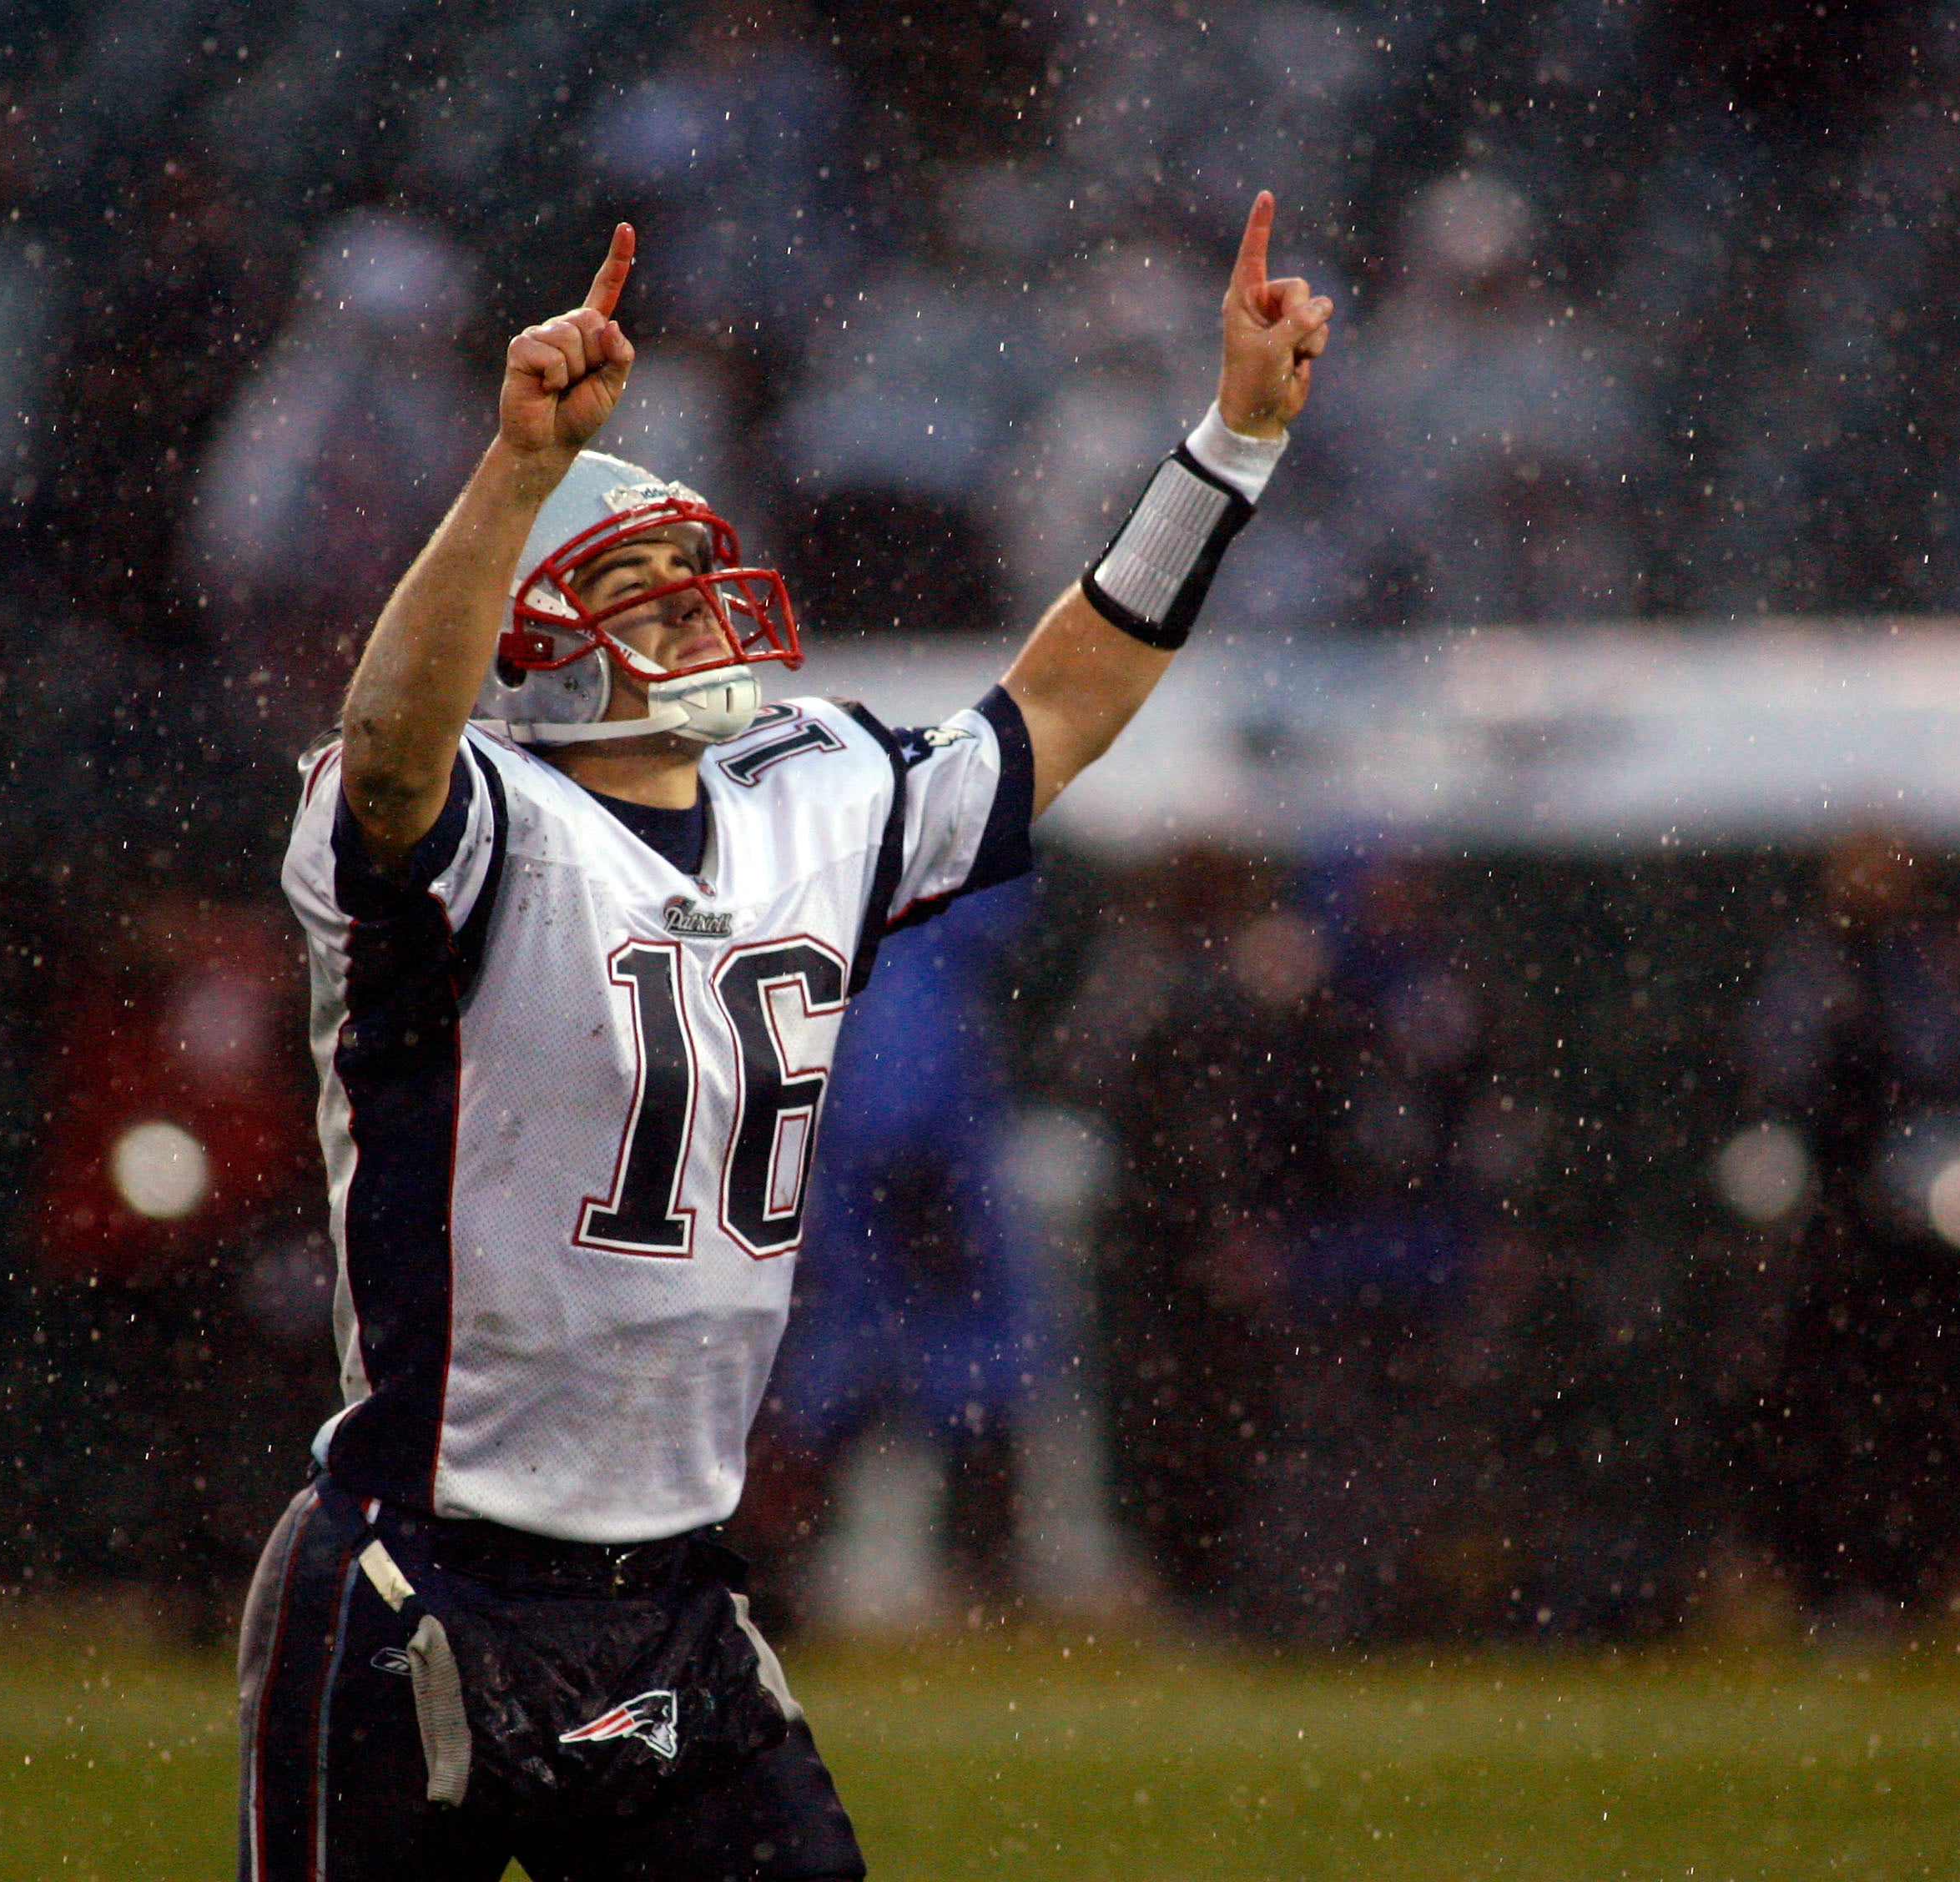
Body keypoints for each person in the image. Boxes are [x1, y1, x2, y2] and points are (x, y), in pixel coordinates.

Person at [241, 196, 1331, 1879]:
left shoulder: (804, 799)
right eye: (635, 580)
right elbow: (392, 753)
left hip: (664, 1625)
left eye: (689, 569)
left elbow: (1060, 703)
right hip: (423, 1598)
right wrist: (510, 482)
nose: (688, 602)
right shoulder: (472, 828)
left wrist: (1230, 452)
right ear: (528, 633)